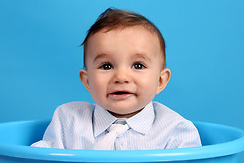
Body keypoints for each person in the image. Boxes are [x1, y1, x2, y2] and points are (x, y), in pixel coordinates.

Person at [31, 8, 202, 150]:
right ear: (87, 80)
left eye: (138, 66)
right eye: (106, 66)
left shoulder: (177, 131)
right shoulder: (67, 121)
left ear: (160, 81)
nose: (121, 77)